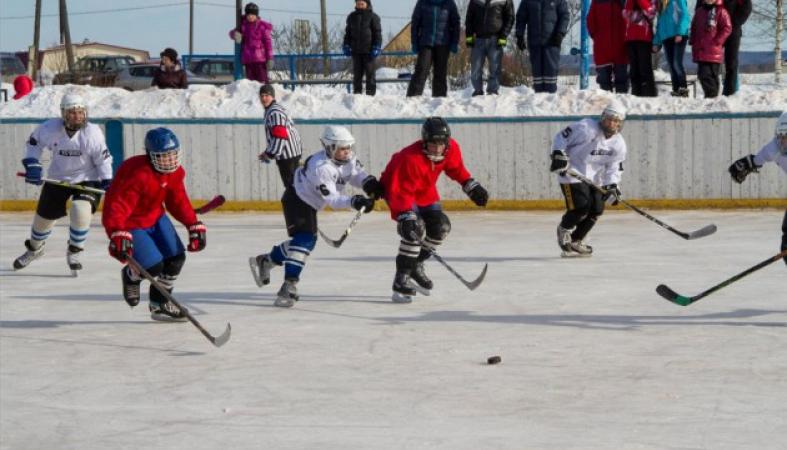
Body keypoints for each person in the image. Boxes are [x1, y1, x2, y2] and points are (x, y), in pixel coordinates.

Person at [249, 126, 382, 307]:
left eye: (349, 147)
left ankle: (267, 260)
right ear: (329, 147)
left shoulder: (348, 158)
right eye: (342, 148)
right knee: (305, 240)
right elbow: (333, 200)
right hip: (297, 199)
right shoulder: (321, 167)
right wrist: (355, 201)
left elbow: (356, 174)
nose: (347, 152)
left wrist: (369, 184)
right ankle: (289, 284)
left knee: (304, 242)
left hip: (309, 203)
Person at [102, 128, 207, 322]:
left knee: (176, 258)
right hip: (130, 223)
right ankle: (131, 276)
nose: (170, 160)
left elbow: (178, 200)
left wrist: (193, 224)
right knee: (153, 266)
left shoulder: (175, 173)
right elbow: (117, 206)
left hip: (156, 217)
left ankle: (160, 304)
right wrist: (117, 231)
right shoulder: (138, 174)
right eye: (164, 156)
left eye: (173, 154)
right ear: (151, 156)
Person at [379, 117, 489, 303]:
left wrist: (470, 185)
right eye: (432, 144)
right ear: (424, 142)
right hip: (398, 190)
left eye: (441, 144)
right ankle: (401, 278)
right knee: (415, 229)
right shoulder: (410, 158)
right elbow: (400, 192)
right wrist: (405, 215)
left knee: (441, 227)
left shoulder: (451, 148)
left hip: (425, 191)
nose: (437, 149)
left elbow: (456, 168)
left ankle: (416, 264)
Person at [12, 93, 113, 275]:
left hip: (87, 178)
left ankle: (74, 251)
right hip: (58, 178)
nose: (77, 116)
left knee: (80, 210)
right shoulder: (50, 128)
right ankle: (35, 249)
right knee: (43, 221)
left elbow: (103, 160)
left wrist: (107, 180)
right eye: (72, 112)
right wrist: (33, 164)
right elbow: (33, 144)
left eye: (81, 112)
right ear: (63, 114)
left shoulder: (92, 133)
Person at [549, 101, 627, 257]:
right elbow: (561, 137)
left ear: (620, 124)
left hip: (594, 179)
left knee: (597, 209)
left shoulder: (619, 143)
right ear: (603, 118)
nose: (611, 123)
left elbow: (614, 166)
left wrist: (612, 184)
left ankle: (576, 240)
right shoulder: (586, 128)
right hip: (572, 173)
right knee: (581, 207)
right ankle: (564, 229)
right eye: (609, 119)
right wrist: (558, 154)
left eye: (616, 121)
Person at [728, 111, 787, 266]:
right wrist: (746, 164)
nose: (784, 142)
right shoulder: (774, 148)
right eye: (781, 137)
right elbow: (757, 160)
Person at [406, 0, 461, 98]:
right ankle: (412, 98)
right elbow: (415, 23)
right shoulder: (422, 3)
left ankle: (439, 100)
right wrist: (414, 42)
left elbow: (456, 23)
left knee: (440, 73)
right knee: (421, 70)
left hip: (443, 43)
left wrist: (454, 42)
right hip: (426, 42)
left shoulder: (449, 3)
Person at [515, 0, 570, 94]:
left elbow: (564, 16)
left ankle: (550, 97)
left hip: (552, 42)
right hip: (534, 42)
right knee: (537, 73)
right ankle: (538, 97)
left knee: (550, 72)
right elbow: (521, 18)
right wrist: (519, 36)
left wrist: (560, 33)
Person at [465, 0, 515, 96]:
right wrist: (469, 36)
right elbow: (469, 17)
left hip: (496, 39)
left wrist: (503, 35)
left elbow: (510, 17)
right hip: (478, 39)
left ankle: (493, 91)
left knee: (495, 67)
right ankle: (477, 90)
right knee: (475, 67)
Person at [258, 84, 303, 188]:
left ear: (273, 96)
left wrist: (270, 153)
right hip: (290, 154)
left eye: (267, 95)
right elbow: (277, 135)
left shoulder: (274, 112)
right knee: (295, 187)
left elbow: (280, 136)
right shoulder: (273, 109)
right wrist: (268, 151)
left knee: (292, 189)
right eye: (262, 96)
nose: (264, 98)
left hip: (288, 157)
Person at [690, 0, 731, 98]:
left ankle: (711, 96)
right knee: (703, 74)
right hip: (701, 49)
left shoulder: (721, 11)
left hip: (714, 50)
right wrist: (692, 39)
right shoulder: (699, 11)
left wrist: (717, 41)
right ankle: (712, 97)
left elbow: (727, 28)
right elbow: (694, 27)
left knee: (710, 75)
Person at [587, 0, 629, 93]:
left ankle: (621, 101)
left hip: (621, 46)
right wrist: (596, 36)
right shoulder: (597, 1)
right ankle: (607, 101)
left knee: (622, 80)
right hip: (602, 48)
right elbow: (590, 20)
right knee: (604, 82)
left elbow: (631, 17)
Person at [343, 0, 383, 96]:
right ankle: (357, 96)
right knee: (357, 75)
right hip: (356, 51)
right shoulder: (352, 17)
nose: (360, 6)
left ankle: (370, 96)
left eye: (362, 4)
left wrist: (377, 46)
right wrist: (346, 45)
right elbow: (347, 33)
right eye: (358, 4)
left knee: (370, 75)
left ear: (367, 4)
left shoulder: (373, 17)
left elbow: (377, 33)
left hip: (369, 51)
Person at [652, 0, 691, 97]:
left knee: (676, 63)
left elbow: (685, 15)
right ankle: (676, 89)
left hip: (678, 35)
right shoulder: (661, 3)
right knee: (671, 65)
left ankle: (683, 88)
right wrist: (656, 42)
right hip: (666, 37)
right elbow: (659, 24)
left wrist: (680, 32)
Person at [229, 2, 274, 83]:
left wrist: (269, 58)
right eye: (248, 15)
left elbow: (268, 44)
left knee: (262, 81)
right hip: (248, 60)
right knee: (251, 83)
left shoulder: (262, 26)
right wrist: (235, 34)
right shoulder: (243, 25)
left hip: (260, 60)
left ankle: (265, 90)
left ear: (256, 15)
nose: (250, 17)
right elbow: (232, 32)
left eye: (252, 15)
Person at [623, 0, 657, 97]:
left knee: (644, 68)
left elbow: (651, 13)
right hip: (630, 37)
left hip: (644, 37)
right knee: (633, 69)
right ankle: (635, 94)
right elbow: (626, 14)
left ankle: (649, 93)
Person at [721, 0, 752, 96]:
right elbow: (700, 5)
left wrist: (734, 22)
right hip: (713, 31)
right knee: (710, 63)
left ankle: (729, 93)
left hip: (733, 31)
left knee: (731, 63)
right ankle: (711, 93)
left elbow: (747, 6)